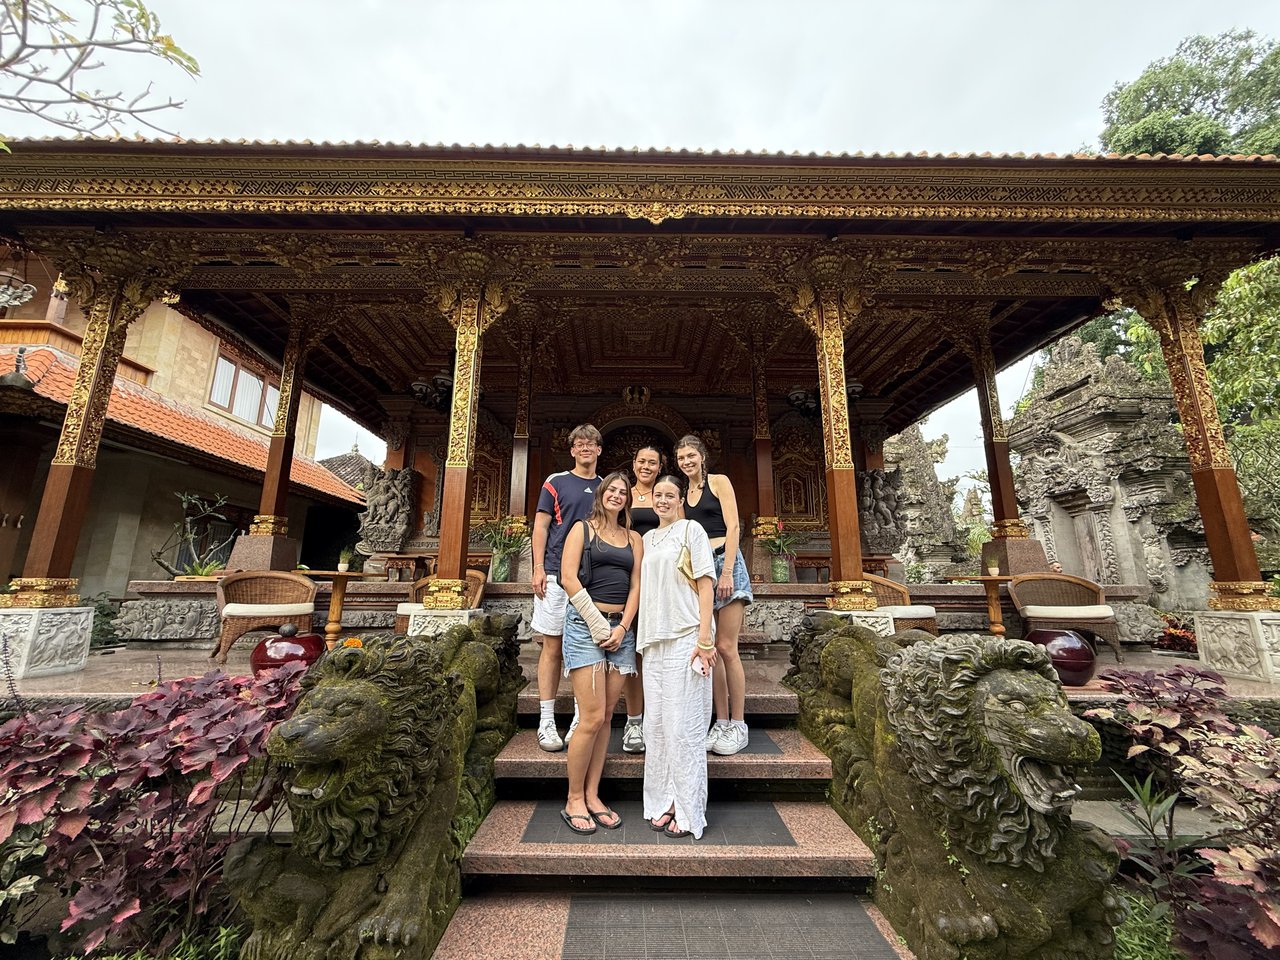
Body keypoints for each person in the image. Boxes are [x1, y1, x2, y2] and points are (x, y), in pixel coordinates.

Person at [556, 471, 642, 834]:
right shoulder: (583, 529)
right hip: (584, 625)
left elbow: (637, 585)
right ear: (601, 494)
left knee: (607, 716)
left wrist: (622, 628)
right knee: (590, 717)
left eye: (624, 492)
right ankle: (573, 798)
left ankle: (593, 794)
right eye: (612, 490)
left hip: (621, 628)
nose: (618, 496)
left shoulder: (634, 538)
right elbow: (567, 577)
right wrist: (596, 623)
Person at [639, 475, 716, 839]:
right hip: (654, 639)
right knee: (657, 727)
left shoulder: (692, 531)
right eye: (658, 495)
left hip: (687, 635)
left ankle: (688, 808)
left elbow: (705, 582)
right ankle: (663, 799)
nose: (664, 500)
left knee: (684, 726)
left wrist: (705, 638)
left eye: (670, 495)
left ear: (682, 498)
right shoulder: (647, 539)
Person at [676, 434, 753, 756]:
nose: (687, 462)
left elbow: (734, 527)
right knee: (710, 648)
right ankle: (720, 721)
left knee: (726, 646)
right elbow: (682, 536)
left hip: (725, 563)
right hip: (700, 570)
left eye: (691, 456)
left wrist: (726, 571)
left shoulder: (719, 482)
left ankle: (738, 723)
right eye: (681, 458)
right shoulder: (683, 494)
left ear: (702, 457)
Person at [530, 424, 603, 752]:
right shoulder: (555, 482)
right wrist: (537, 568)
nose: (586, 448)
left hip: (592, 581)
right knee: (553, 647)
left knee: (585, 651)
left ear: (599, 450)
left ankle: (579, 716)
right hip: (557, 576)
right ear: (572, 450)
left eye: (592, 444)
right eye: (580, 444)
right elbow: (541, 527)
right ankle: (546, 719)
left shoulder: (607, 487)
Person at [619, 444, 665, 754]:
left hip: (662, 582)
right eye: (641, 461)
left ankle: (660, 720)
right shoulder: (623, 495)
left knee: (659, 651)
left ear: (660, 467)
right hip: (629, 581)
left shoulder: (667, 494)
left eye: (652, 462)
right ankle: (634, 720)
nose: (646, 466)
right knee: (632, 654)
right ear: (633, 464)